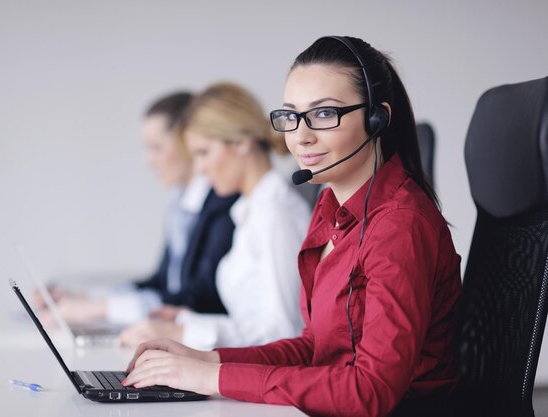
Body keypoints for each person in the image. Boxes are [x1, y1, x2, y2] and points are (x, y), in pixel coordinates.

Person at [121, 36, 462, 417]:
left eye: (323, 114)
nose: (300, 136)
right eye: (291, 116)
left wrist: (211, 380)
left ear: (376, 118)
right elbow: (314, 347)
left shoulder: (400, 226)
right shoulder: (331, 208)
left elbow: (370, 391)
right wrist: (208, 360)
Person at [118, 82, 311, 349]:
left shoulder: (275, 214)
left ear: (242, 142)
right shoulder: (249, 210)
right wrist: (186, 320)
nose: (199, 169)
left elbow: (284, 332)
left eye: (204, 153)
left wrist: (183, 333)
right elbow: (252, 320)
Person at [36, 91, 238, 326]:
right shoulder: (178, 203)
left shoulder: (224, 203)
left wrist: (100, 308)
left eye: (156, 148)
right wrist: (86, 299)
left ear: (187, 142)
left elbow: (203, 297)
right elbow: (162, 282)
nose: (148, 160)